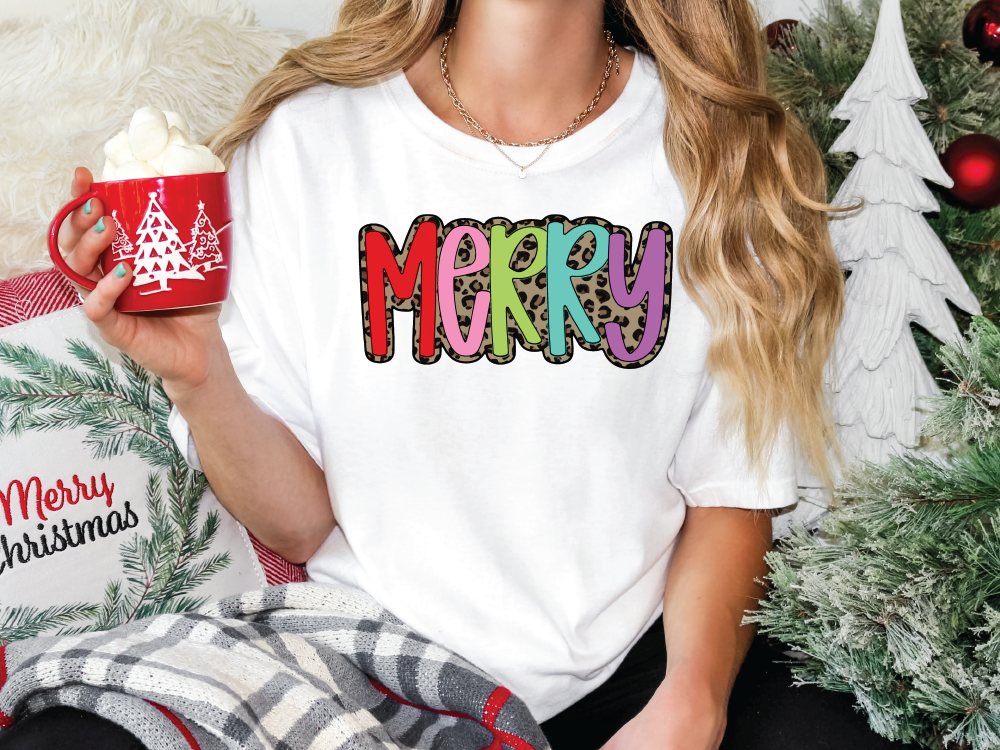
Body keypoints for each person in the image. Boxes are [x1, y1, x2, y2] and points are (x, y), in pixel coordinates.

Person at [9, 0, 896, 748]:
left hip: (641, 664)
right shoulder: (307, 143)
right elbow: (301, 522)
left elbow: (731, 489)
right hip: (370, 667)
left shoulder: (721, 157)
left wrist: (691, 704)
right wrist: (199, 375)